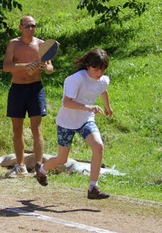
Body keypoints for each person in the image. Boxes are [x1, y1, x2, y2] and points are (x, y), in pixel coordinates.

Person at [34, 48, 113, 200]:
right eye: (96, 69)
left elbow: (103, 90)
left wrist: (108, 107)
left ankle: (93, 188)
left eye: (102, 69)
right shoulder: (75, 79)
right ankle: (42, 169)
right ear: (88, 65)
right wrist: (88, 107)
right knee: (62, 159)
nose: (99, 73)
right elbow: (67, 102)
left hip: (85, 120)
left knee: (98, 146)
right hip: (67, 122)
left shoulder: (102, 80)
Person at [2, 15, 54, 177]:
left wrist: (45, 67)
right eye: (27, 26)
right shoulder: (13, 44)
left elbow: (51, 68)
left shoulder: (41, 45)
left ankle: (39, 166)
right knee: (17, 128)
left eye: (33, 25)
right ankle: (20, 165)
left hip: (35, 89)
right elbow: (6, 67)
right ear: (20, 27)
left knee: (36, 128)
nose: (30, 29)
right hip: (17, 89)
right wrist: (27, 66)